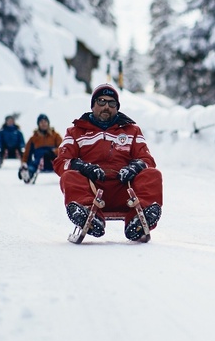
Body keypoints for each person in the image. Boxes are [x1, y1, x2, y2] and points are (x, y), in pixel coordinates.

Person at [54, 84, 163, 240]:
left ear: (117, 107)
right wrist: (82, 167)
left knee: (153, 174)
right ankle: (88, 216)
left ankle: (139, 219)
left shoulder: (132, 130)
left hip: (125, 191)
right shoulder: (75, 132)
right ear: (93, 105)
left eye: (112, 103)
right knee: (68, 176)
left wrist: (135, 167)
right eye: (101, 101)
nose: (106, 106)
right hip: (92, 190)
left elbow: (147, 160)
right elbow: (61, 162)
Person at [21, 114, 62, 182]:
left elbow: (62, 148)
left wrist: (53, 152)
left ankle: (69, 177)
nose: (43, 124)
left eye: (45, 122)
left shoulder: (55, 135)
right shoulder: (33, 138)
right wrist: (24, 163)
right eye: (41, 122)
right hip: (39, 161)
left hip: (52, 160)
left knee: (61, 164)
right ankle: (28, 174)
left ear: (48, 123)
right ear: (38, 124)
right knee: (34, 164)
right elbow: (27, 153)